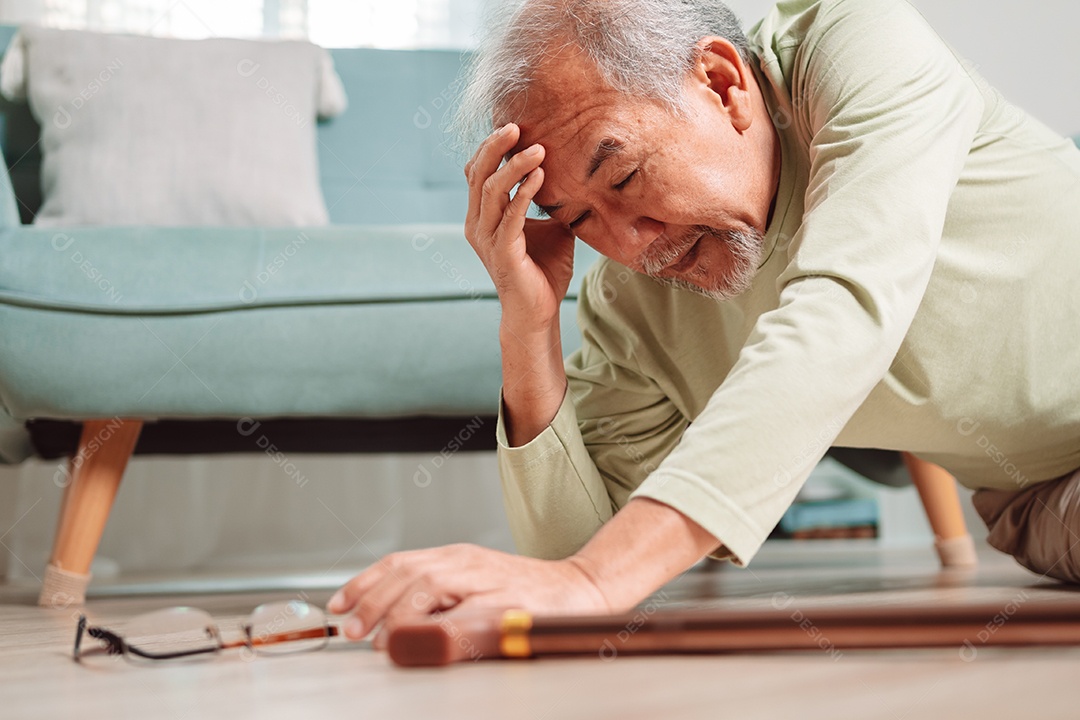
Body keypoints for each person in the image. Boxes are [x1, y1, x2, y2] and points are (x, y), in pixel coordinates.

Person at [327, 0, 1080, 647]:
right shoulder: (634, 303)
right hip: (1047, 502)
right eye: (581, 218)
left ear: (722, 85)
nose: (627, 245)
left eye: (623, 177)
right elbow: (569, 566)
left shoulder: (859, 47)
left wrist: (593, 582)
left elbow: (841, 310)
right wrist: (528, 328)